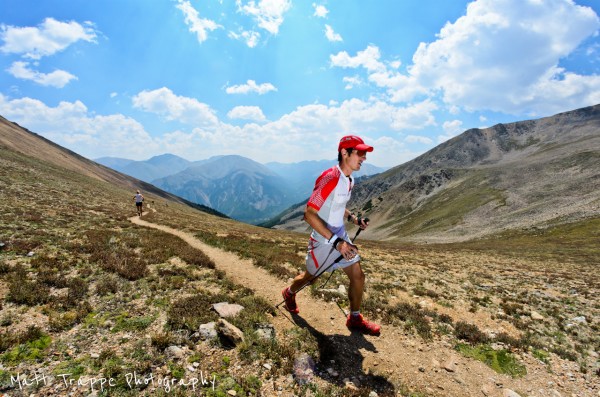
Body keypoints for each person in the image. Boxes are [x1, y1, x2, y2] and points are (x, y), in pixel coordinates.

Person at [281, 135, 381, 336]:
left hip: (340, 236)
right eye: (360, 153)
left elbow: (338, 204)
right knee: (311, 278)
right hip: (323, 240)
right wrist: (336, 243)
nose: (364, 158)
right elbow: (309, 213)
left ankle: (354, 318)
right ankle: (289, 293)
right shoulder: (330, 177)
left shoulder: (349, 179)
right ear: (345, 153)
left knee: (358, 276)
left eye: (365, 153)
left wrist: (353, 219)